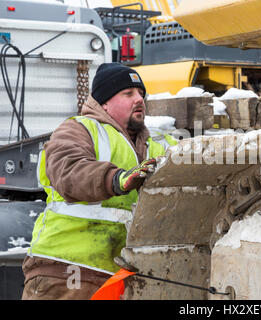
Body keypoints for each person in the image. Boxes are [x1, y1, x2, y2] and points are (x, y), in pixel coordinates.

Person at [22, 62, 177, 300]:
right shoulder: (79, 129)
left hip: (120, 276)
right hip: (65, 271)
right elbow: (69, 169)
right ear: (104, 103)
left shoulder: (160, 143)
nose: (139, 100)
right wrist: (115, 179)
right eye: (128, 93)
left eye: (141, 94)